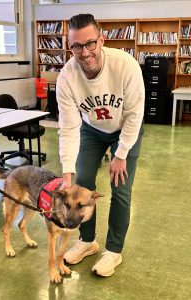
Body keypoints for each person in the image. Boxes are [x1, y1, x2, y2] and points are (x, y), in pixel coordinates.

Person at [56, 13, 145, 277]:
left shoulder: (125, 65)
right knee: (80, 183)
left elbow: (135, 114)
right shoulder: (67, 77)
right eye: (76, 46)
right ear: (69, 46)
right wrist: (66, 172)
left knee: (120, 189)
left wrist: (121, 154)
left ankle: (113, 251)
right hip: (91, 130)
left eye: (90, 43)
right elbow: (69, 127)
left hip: (125, 129)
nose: (84, 52)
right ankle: (87, 241)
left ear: (101, 40)